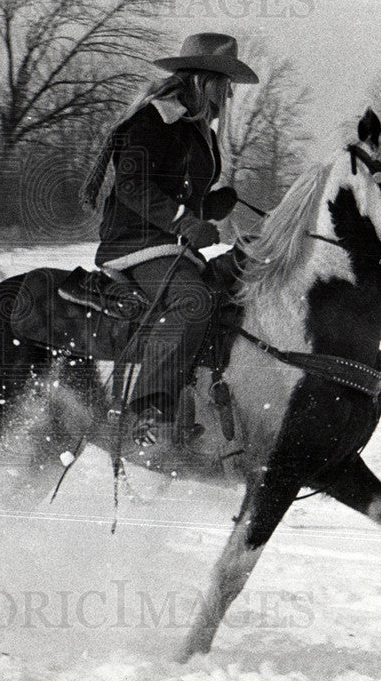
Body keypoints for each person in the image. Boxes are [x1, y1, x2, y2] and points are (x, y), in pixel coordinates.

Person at [79, 32, 258, 445]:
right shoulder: (151, 121)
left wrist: (210, 207)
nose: (228, 97)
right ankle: (147, 410)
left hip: (173, 246)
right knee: (191, 300)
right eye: (226, 86)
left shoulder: (202, 136)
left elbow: (179, 193)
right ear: (205, 82)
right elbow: (132, 186)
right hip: (135, 244)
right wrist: (184, 221)